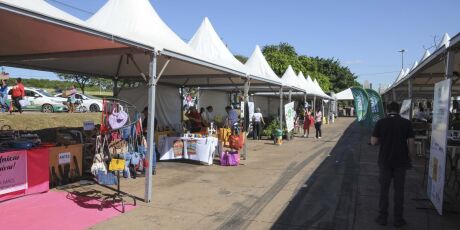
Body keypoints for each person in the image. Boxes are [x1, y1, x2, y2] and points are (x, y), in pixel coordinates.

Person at [371, 102, 415, 227]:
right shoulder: (406, 123)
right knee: (399, 191)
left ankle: (382, 218)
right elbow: (411, 143)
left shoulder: (381, 122)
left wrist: (381, 139)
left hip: (385, 161)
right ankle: (398, 219)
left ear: (387, 110)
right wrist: (411, 158)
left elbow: (373, 141)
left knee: (384, 191)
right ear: (399, 110)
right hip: (401, 162)